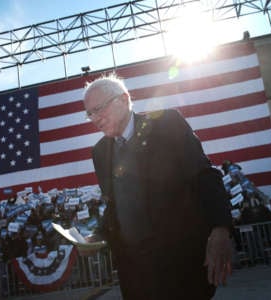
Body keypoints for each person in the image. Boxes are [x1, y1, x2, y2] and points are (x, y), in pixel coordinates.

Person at [83, 74, 233, 299]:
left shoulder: (167, 123)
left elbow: (204, 175)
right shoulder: (100, 152)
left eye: (99, 108)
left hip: (181, 268)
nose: (95, 118)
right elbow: (115, 206)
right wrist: (97, 235)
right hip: (135, 277)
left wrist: (221, 228)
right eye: (89, 113)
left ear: (123, 99)